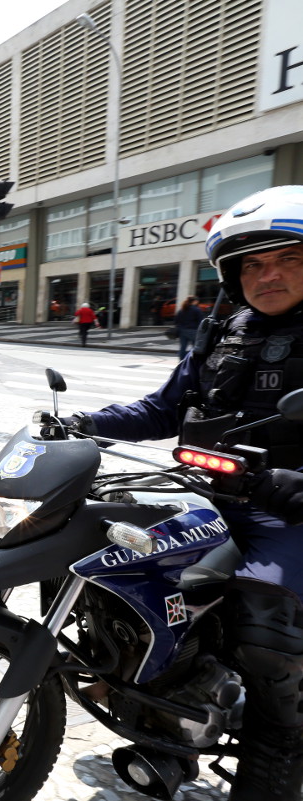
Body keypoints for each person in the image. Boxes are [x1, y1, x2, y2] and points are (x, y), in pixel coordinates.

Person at [66, 186, 303, 801]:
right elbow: (162, 408)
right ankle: (163, 713)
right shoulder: (222, 331)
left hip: (285, 515)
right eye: (252, 263)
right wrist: (84, 423)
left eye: (288, 259)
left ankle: (276, 759)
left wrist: (281, 484)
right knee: (106, 564)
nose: (267, 274)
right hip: (205, 495)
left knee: (264, 629)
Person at [174, 294, 204, 359]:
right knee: (195, 347)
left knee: (183, 347)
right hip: (193, 331)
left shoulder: (182, 310)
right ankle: (193, 361)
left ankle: (181, 361)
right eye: (197, 301)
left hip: (182, 331)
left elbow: (176, 321)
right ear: (194, 301)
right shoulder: (197, 310)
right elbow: (201, 321)